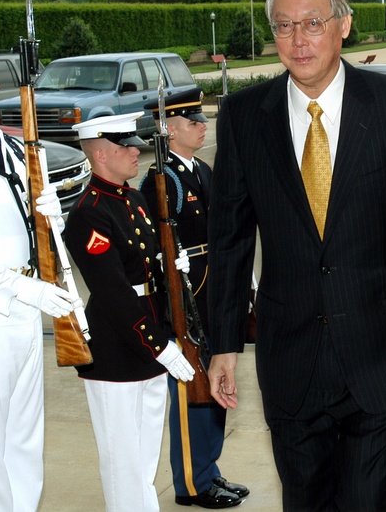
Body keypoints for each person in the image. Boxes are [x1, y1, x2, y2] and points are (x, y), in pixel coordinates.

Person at [206, 0, 386, 511]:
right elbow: (228, 239)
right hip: (289, 354)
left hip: (381, 350)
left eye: (313, 22)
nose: (298, 40)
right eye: (283, 26)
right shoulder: (245, 116)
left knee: (369, 499)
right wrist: (222, 343)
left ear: (345, 25)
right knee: (305, 500)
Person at [64, 112, 195, 512]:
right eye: (126, 147)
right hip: (120, 350)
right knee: (123, 461)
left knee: (142, 459)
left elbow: (148, 268)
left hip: (151, 339)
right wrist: (160, 344)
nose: (136, 151)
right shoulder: (89, 213)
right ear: (101, 154)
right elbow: (114, 295)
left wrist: (173, 265)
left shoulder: (133, 198)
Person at [137, 89, 249, 509]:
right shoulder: (161, 179)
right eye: (192, 122)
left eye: (202, 121)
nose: (203, 127)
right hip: (184, 297)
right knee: (190, 389)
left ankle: (209, 470)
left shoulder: (199, 169)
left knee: (214, 382)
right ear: (167, 129)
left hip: (211, 289)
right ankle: (190, 482)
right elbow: (150, 244)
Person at [0, 123, 81, 512]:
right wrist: (22, 288)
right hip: (8, 305)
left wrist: (52, 221)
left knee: (25, 436)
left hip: (31, 311)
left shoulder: (17, 151)